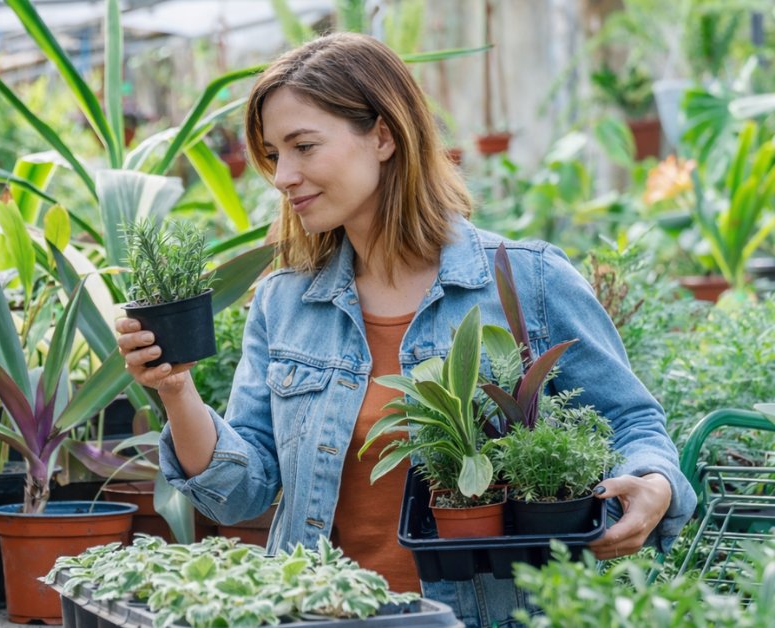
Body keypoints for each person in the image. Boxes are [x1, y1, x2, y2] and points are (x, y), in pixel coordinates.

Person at [114, 32, 694, 627]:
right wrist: (176, 388)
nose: (283, 176)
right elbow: (243, 492)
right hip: (319, 613)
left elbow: (633, 421)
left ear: (384, 136)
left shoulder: (528, 281)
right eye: (273, 154)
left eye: (304, 146)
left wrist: (654, 482)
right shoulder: (285, 302)